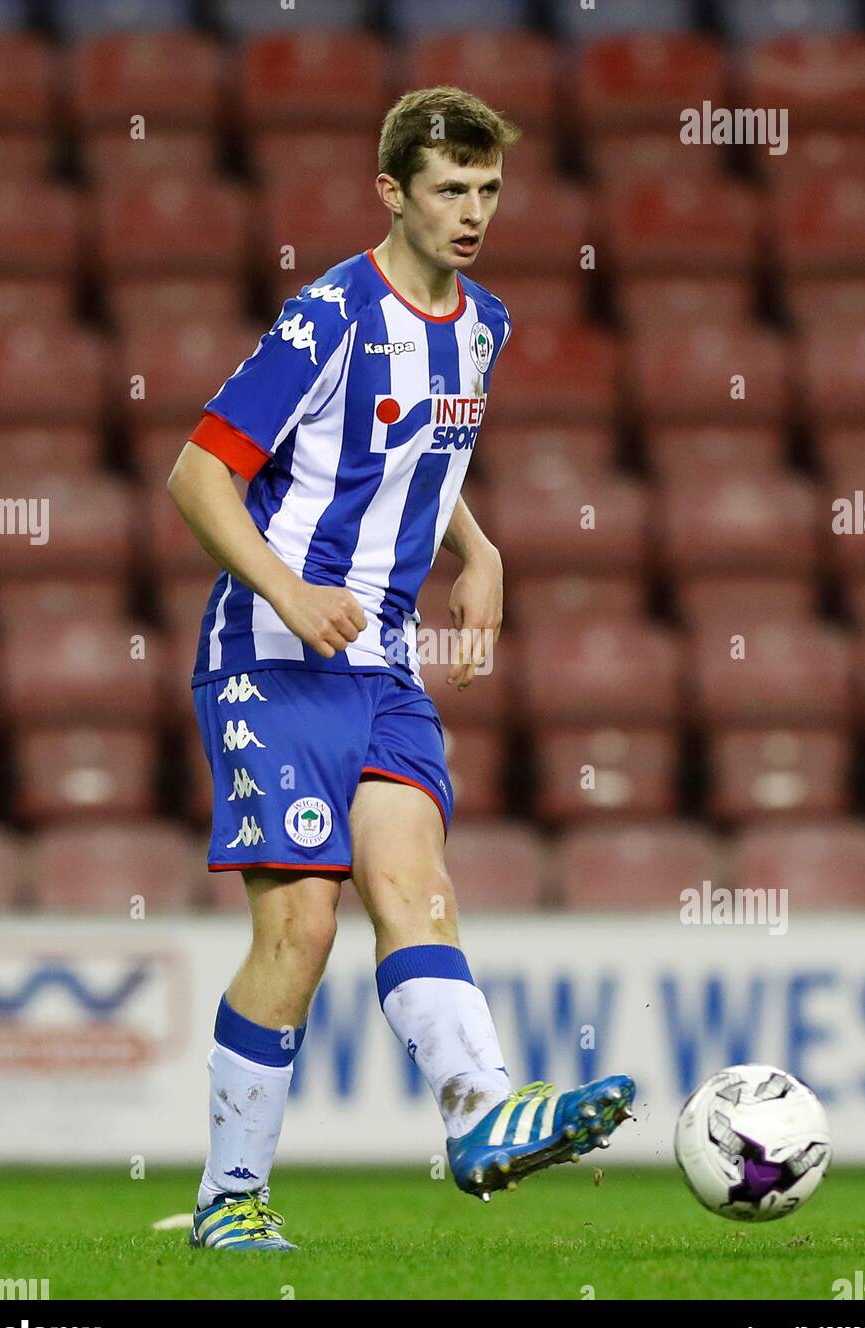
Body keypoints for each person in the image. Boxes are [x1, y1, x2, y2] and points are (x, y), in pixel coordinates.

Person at [167, 86, 635, 1252]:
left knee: (417, 888)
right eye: (449, 191)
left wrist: (477, 549)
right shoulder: (325, 317)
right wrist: (286, 588)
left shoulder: (484, 323)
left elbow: (423, 444)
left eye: (487, 190)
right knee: (305, 932)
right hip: (272, 657)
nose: (473, 212)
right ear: (392, 193)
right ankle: (229, 1200)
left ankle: (480, 1112)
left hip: (385, 664)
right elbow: (196, 473)